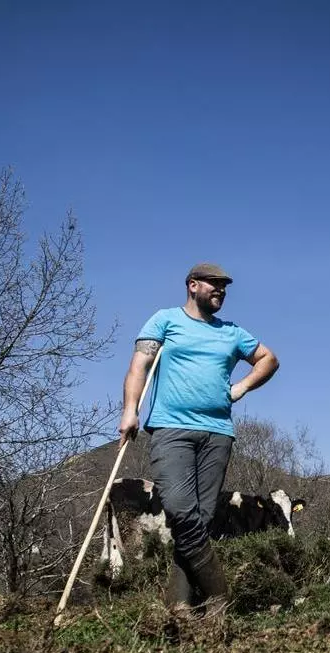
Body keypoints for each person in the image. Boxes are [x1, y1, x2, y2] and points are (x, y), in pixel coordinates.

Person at [118, 262, 279, 618]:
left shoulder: (232, 332)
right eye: (213, 283)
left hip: (218, 434)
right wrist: (130, 410)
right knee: (180, 509)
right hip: (171, 428)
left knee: (201, 519)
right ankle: (219, 596)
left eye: (224, 286)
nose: (221, 290)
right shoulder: (165, 321)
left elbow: (268, 359)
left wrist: (240, 388)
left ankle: (179, 606)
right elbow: (138, 367)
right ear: (192, 285)